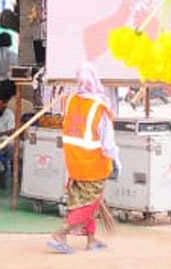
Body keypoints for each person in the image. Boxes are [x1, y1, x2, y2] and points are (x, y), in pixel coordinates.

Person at [48, 61, 119, 253]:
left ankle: (91, 240)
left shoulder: (71, 100)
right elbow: (107, 140)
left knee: (81, 200)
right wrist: (115, 160)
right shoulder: (99, 106)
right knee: (90, 203)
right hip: (93, 164)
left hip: (73, 161)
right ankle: (62, 233)